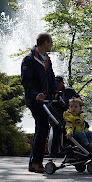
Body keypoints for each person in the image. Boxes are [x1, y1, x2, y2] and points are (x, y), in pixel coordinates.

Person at [21, 33, 57, 173]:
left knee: (41, 129)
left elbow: (51, 78)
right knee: (42, 127)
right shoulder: (29, 59)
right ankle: (36, 162)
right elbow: (26, 81)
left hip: (46, 100)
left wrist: (56, 92)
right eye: (50, 42)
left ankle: (33, 162)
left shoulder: (47, 59)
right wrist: (36, 94)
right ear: (44, 43)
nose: (52, 44)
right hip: (35, 100)